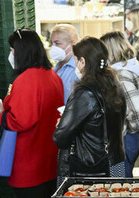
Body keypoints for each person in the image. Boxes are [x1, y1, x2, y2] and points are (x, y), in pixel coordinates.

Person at [0, 29, 63, 198]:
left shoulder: (25, 80)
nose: (11, 54)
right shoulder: (52, 76)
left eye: (13, 50)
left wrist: (1, 113)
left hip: (27, 160)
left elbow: (21, 120)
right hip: (49, 156)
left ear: (21, 52)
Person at [54, 37, 127, 178]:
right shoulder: (116, 86)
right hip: (115, 162)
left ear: (83, 62)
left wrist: (61, 123)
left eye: (76, 59)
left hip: (89, 168)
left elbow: (61, 138)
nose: (75, 64)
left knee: (90, 194)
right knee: (115, 192)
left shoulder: (84, 93)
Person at [101, 31, 139, 178]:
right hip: (130, 140)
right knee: (123, 183)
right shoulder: (131, 70)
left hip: (124, 141)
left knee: (120, 187)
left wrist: (129, 128)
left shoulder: (121, 76)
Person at [49, 24, 80, 104]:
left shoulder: (78, 69)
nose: (53, 47)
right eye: (52, 43)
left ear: (73, 44)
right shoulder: (58, 66)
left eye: (57, 43)